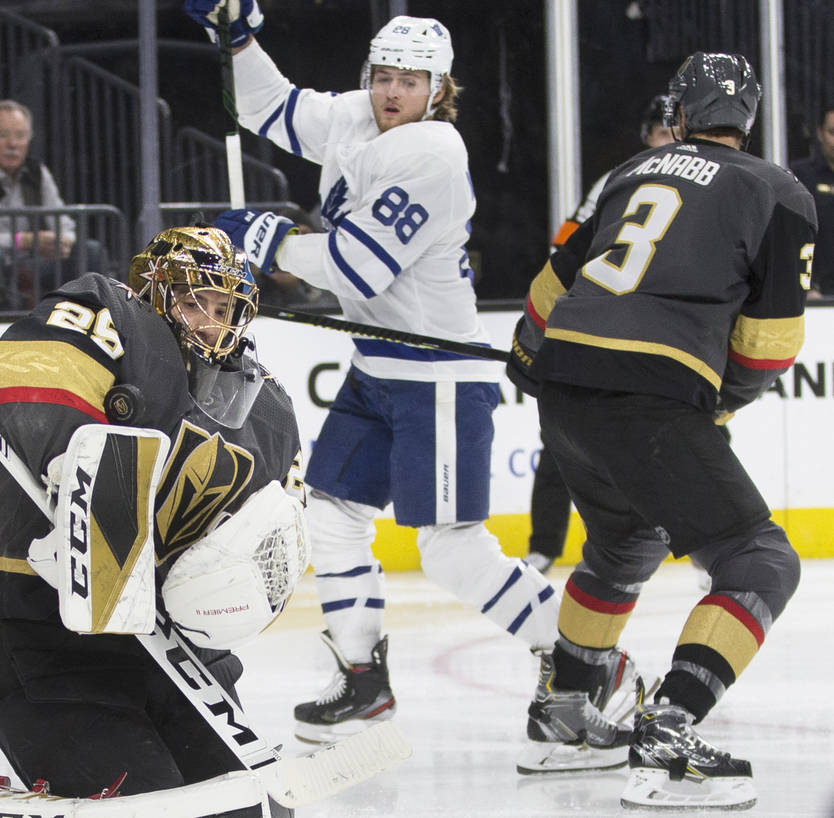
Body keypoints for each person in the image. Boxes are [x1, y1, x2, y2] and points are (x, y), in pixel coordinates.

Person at [186, 3, 596, 746]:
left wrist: (267, 238)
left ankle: (578, 658)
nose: (392, 90)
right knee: (332, 511)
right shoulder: (359, 116)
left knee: (448, 547)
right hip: (380, 367)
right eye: (383, 75)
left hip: (438, 375)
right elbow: (269, 109)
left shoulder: (434, 154)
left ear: (439, 88)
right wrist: (238, 35)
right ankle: (362, 678)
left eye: (410, 79)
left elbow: (358, 268)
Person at [507, 52, 816, 809]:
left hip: (567, 393)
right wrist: (716, 402)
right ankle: (668, 736)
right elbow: (771, 344)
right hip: (648, 399)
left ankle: (567, 716)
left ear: (679, 113)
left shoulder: (630, 173)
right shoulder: (779, 191)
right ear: (746, 122)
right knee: (761, 561)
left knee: (623, 548)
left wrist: (528, 357)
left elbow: (548, 294)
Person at [0, 225, 302, 813]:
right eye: (194, 299)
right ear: (153, 288)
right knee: (143, 808)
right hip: (44, 636)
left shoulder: (267, 408)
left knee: (252, 810)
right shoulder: (109, 314)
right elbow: (28, 374)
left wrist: (227, 598)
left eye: (224, 307)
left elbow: (278, 539)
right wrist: (82, 482)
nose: (210, 322)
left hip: (178, 657)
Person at [525, 94, 675, 576]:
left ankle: (709, 540)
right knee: (563, 439)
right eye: (660, 133)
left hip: (666, 336)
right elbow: (564, 248)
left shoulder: (707, 187)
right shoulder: (617, 182)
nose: (668, 143)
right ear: (645, 135)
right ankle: (544, 545)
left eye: (677, 133)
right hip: (600, 331)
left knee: (698, 437)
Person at [0, 99, 106, 304]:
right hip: (0, 261)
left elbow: (63, 220)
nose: (13, 144)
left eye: (20, 136)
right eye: (3, 135)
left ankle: (91, 314)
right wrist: (23, 241)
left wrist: (62, 241)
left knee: (89, 250)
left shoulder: (37, 173)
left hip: (35, 259)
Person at [790, 103, 834, 296]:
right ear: (820, 133)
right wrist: (806, 287)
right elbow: (790, 236)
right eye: (832, 132)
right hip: (815, 294)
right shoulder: (800, 176)